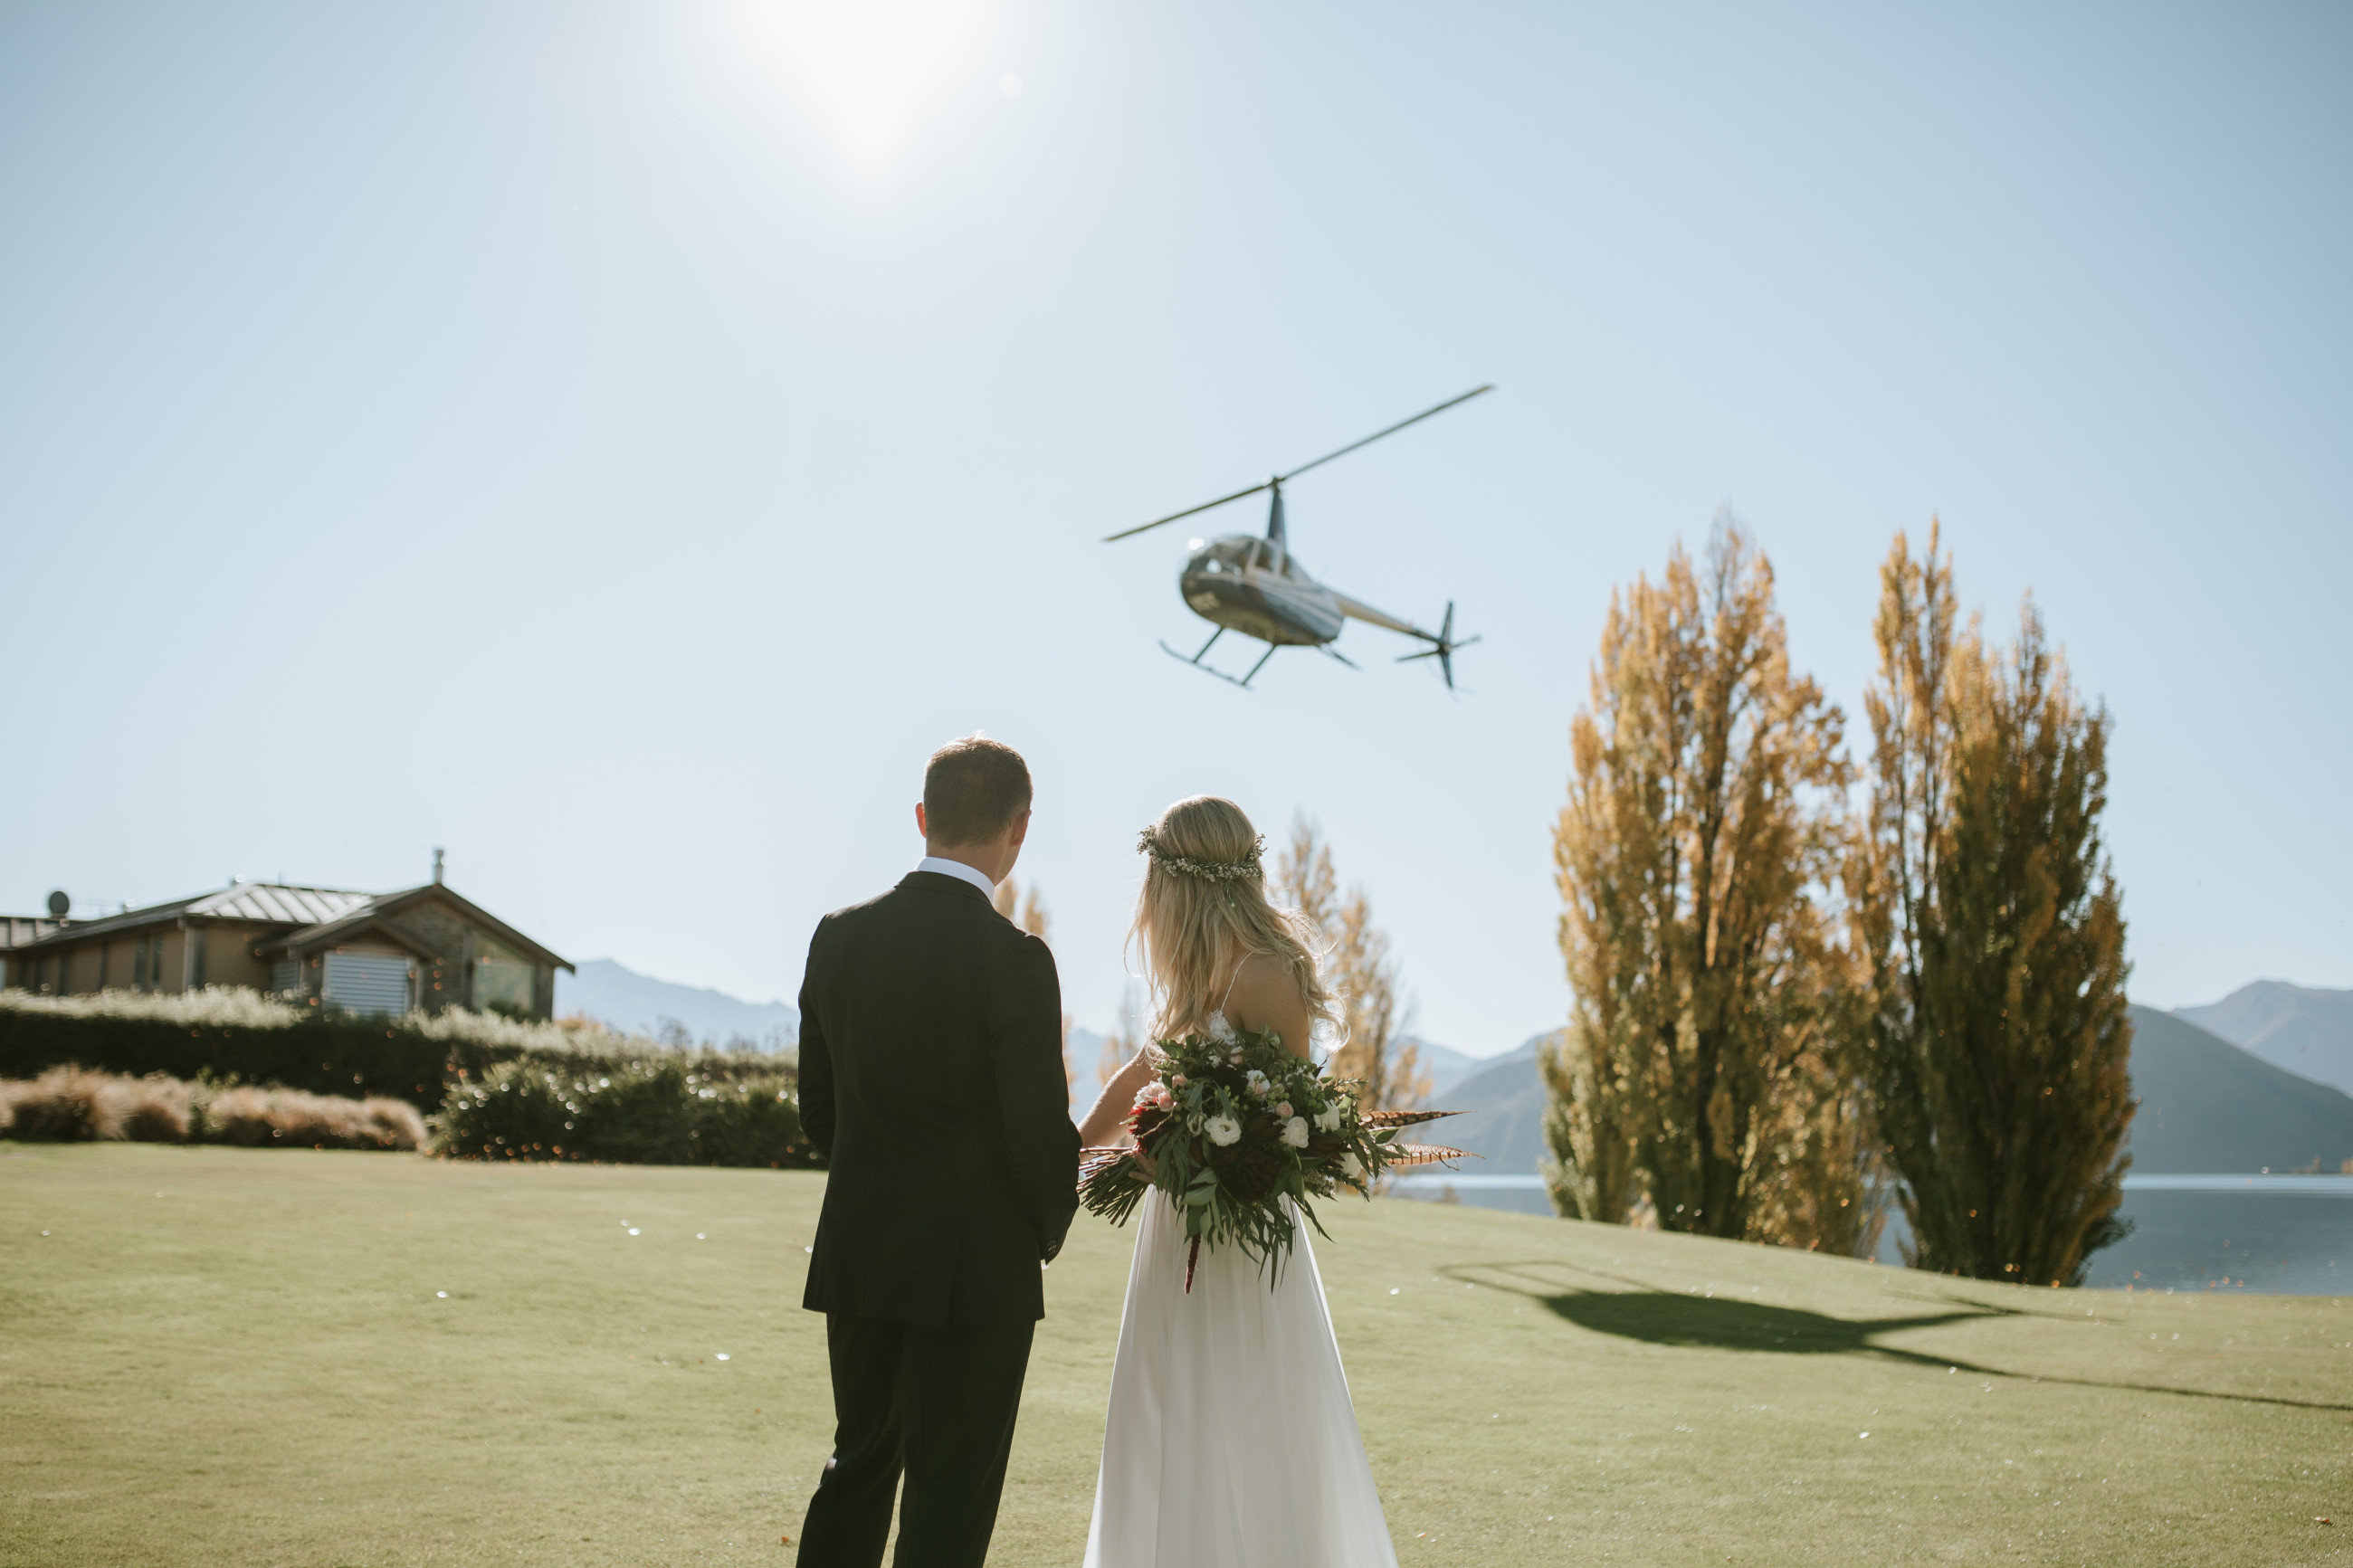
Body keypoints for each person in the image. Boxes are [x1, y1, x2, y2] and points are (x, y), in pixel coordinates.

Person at [1075, 794, 1401, 1567]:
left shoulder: (1268, 971)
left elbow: (1286, 1120)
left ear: (1179, 882)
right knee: (1168, 1405)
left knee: (1250, 1408)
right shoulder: (1197, 973)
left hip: (1237, 1231)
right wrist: (1072, 1144)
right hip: (1178, 1226)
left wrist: (1185, 1151)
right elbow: (1144, 1068)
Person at [794, 735, 1081, 1568]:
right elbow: (1035, 1131)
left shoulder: (837, 937)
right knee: (950, 1500)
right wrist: (1045, 1225)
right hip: (977, 1267)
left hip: (862, 1251)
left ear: (922, 817)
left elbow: (821, 1111)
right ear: (1018, 830)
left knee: (857, 1467)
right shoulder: (1018, 961)